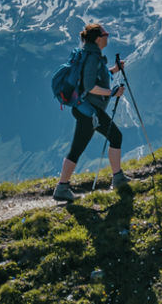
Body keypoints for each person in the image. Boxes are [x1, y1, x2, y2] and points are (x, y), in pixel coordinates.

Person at [52, 22, 128, 202]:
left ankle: (62, 187)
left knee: (78, 148)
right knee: (115, 137)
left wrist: (114, 70)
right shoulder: (93, 57)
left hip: (85, 110)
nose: (108, 36)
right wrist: (112, 92)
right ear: (97, 38)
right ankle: (117, 178)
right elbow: (90, 86)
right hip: (90, 112)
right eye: (105, 34)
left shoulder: (89, 54)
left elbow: (95, 77)